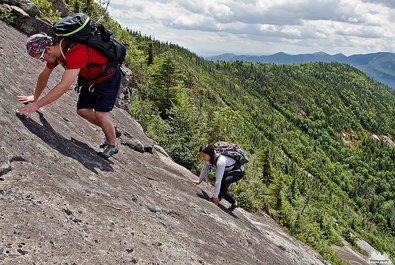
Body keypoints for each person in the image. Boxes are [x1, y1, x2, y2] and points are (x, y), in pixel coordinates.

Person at [16, 33, 122, 158]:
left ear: (48, 49)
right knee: (82, 111)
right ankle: (110, 129)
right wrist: (35, 96)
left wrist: (36, 105)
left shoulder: (75, 51)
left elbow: (64, 85)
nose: (43, 61)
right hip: (91, 79)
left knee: (100, 114)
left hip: (108, 78)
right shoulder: (57, 53)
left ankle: (112, 145)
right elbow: (45, 74)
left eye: (41, 57)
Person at [194, 144, 245, 211]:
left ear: (210, 154)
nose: (202, 158)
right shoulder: (209, 158)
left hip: (238, 171)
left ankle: (218, 198)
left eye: (204, 156)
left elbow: (218, 180)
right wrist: (199, 180)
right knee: (222, 189)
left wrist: (215, 197)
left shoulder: (221, 161)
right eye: (201, 156)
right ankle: (234, 202)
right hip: (227, 170)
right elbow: (205, 168)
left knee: (224, 182)